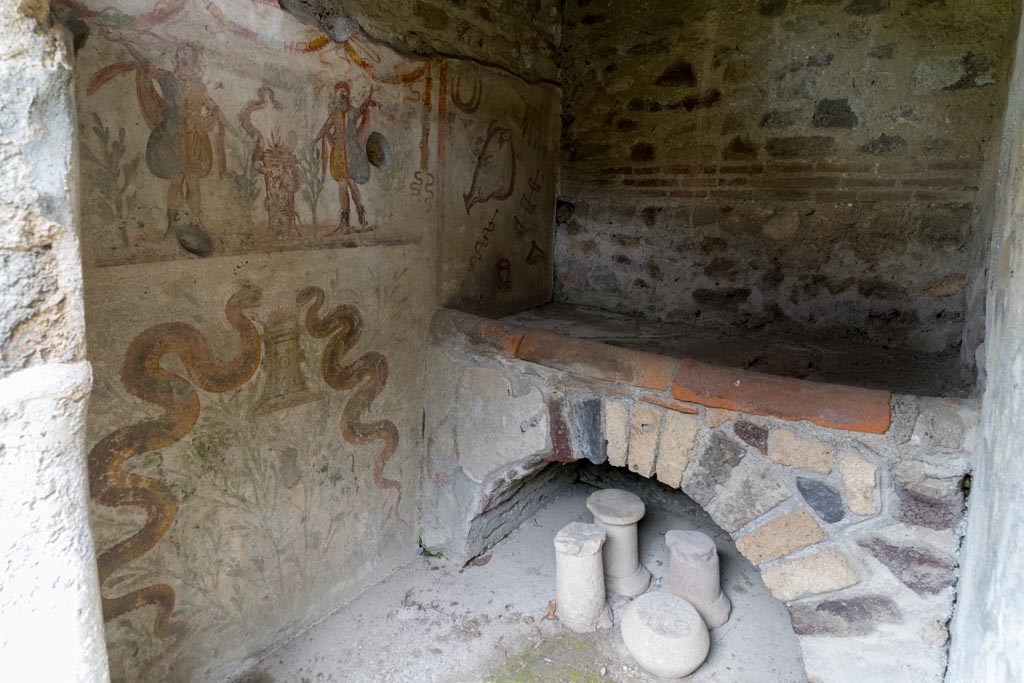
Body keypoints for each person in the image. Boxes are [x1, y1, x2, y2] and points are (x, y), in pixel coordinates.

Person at [313, 81, 375, 234]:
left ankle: (362, 218)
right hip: (339, 152)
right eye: (338, 93)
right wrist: (315, 140)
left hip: (351, 151)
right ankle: (344, 222)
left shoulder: (353, 112)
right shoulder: (334, 114)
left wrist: (370, 94)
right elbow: (325, 128)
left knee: (351, 183)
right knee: (342, 184)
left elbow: (363, 108)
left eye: (343, 92)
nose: (341, 95)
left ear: (347, 94)